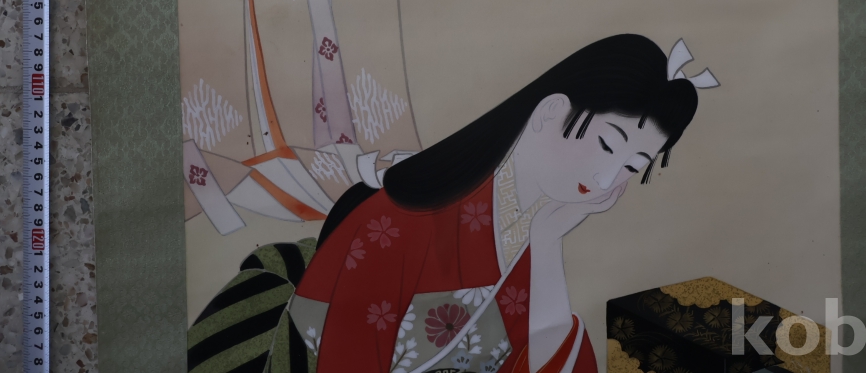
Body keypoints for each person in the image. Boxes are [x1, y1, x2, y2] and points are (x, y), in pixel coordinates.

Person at [285, 34, 717, 373]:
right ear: (550, 111)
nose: (606, 179)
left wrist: (546, 244)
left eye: (632, 166)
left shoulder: (540, 228)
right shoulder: (396, 220)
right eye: (607, 145)